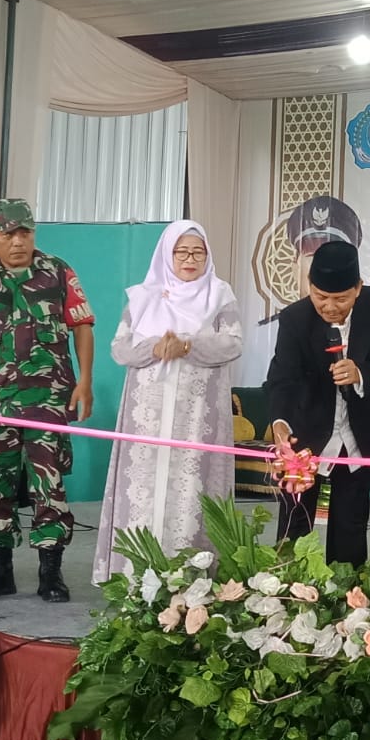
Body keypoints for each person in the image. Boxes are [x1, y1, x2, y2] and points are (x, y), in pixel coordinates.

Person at [0, 199, 95, 603]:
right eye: (7, 233)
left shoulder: (58, 272)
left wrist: (84, 382)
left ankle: (51, 573)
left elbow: (82, 327)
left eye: (24, 232)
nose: (17, 241)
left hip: (49, 402)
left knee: (49, 485)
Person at [93, 220, 243, 580]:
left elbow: (233, 343)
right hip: (147, 415)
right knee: (143, 489)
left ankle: (191, 576)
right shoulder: (143, 296)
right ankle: (135, 575)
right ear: (167, 255)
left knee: (191, 490)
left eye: (198, 252)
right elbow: (120, 348)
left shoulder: (219, 294)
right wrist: (155, 347)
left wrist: (188, 345)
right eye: (181, 252)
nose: (190, 259)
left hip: (197, 414)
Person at [267, 240, 370, 564]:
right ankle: (288, 587)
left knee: (351, 523)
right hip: (306, 431)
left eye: (341, 299)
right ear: (309, 286)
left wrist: (360, 373)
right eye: (320, 297)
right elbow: (282, 379)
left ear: (358, 288)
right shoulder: (295, 318)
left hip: (358, 432)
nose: (330, 306)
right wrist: (280, 424)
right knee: (295, 523)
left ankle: (347, 589)